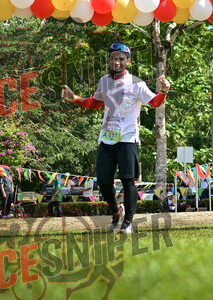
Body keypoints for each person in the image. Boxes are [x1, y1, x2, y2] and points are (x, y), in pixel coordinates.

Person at [62, 43, 170, 234]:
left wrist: (163, 91)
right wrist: (75, 98)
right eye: (113, 58)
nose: (117, 62)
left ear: (128, 61)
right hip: (107, 138)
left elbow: (154, 102)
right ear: (109, 60)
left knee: (128, 180)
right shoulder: (104, 81)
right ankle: (116, 212)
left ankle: (128, 223)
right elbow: (95, 103)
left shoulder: (136, 83)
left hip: (127, 138)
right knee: (104, 182)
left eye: (121, 59)